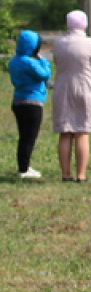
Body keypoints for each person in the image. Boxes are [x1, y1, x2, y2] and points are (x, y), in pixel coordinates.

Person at [52, 10, 91, 183]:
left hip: (62, 88)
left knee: (65, 131)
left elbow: (56, 62)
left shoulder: (58, 43)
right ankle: (81, 175)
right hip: (84, 88)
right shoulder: (90, 43)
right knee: (82, 131)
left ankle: (66, 175)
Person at [9, 28, 50, 179]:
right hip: (32, 102)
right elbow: (45, 74)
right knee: (29, 137)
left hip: (18, 100)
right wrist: (43, 60)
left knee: (23, 136)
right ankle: (24, 170)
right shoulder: (30, 62)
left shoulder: (14, 61)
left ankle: (23, 166)